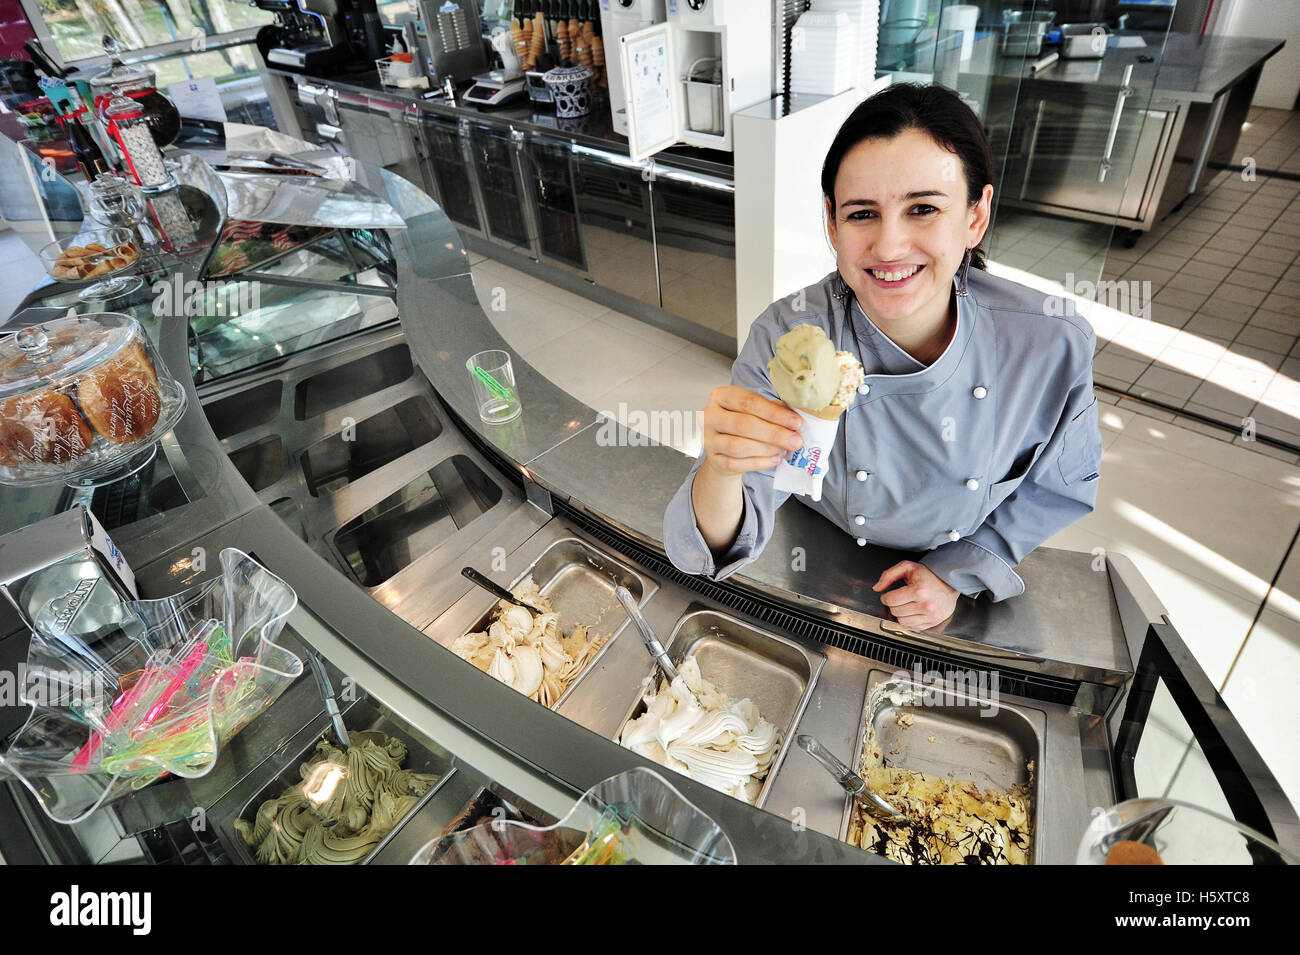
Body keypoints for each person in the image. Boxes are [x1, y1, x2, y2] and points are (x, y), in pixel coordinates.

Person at [663, 83, 1104, 631]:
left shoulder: (1048, 342)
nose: (890, 247)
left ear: (975, 216)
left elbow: (1058, 486)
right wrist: (724, 466)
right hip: (816, 555)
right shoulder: (790, 335)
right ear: (832, 223)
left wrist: (959, 572)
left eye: (923, 208)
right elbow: (708, 545)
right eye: (861, 214)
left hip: (953, 574)